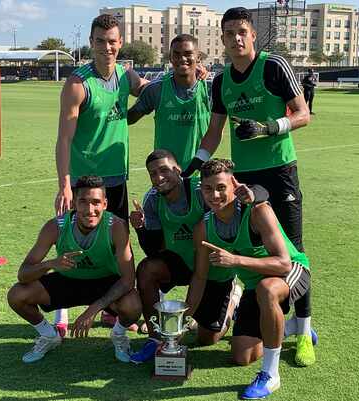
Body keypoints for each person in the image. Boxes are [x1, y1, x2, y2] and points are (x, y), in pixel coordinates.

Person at [183, 7, 315, 367]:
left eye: (242, 31)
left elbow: (302, 113)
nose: (236, 38)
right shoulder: (221, 80)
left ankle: (303, 331)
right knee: (250, 243)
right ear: (222, 39)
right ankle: (250, 307)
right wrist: (196, 160)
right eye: (229, 33)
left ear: (253, 34)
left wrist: (268, 128)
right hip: (247, 177)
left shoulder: (273, 66)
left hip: (279, 170)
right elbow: (214, 130)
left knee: (292, 251)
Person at [128, 149, 268, 364]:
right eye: (153, 173)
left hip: (213, 268)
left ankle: (233, 300)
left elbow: (252, 193)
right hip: (181, 263)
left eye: (164, 170)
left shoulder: (201, 190)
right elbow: (154, 250)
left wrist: (254, 194)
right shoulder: (152, 200)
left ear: (178, 170)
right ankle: (156, 338)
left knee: (207, 338)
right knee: (147, 268)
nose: (158, 178)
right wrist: (141, 228)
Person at [54, 14, 147, 332]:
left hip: (116, 179)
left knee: (116, 246)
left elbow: (150, 90)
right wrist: (64, 183)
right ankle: (61, 314)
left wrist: (193, 74)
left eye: (112, 41)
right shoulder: (78, 83)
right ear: (90, 43)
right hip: (84, 182)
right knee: (72, 243)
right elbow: (64, 137)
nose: (106, 47)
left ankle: (112, 310)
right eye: (99, 41)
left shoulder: (126, 75)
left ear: (120, 43)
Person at [196, 159, 312, 399]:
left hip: (291, 271)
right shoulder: (204, 226)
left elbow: (283, 263)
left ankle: (270, 375)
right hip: (253, 285)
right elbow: (200, 275)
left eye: (220, 187)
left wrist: (235, 261)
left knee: (267, 288)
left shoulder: (258, 211)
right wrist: (185, 316)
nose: (214, 194)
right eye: (208, 188)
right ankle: (291, 327)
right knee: (241, 356)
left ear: (234, 185)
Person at [7, 176, 141, 364]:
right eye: (83, 202)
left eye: (95, 202)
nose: (89, 210)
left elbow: (128, 279)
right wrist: (51, 264)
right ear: (74, 203)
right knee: (17, 295)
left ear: (105, 204)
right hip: (67, 282)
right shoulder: (55, 226)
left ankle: (119, 336)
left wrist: (93, 310)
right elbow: (23, 274)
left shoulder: (116, 226)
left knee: (133, 304)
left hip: (104, 282)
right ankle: (49, 335)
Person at [127, 34, 211, 171]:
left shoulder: (210, 88)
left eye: (188, 54)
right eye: (176, 54)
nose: (182, 59)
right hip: (167, 175)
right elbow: (128, 118)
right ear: (170, 58)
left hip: (202, 173)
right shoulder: (156, 89)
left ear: (199, 57)